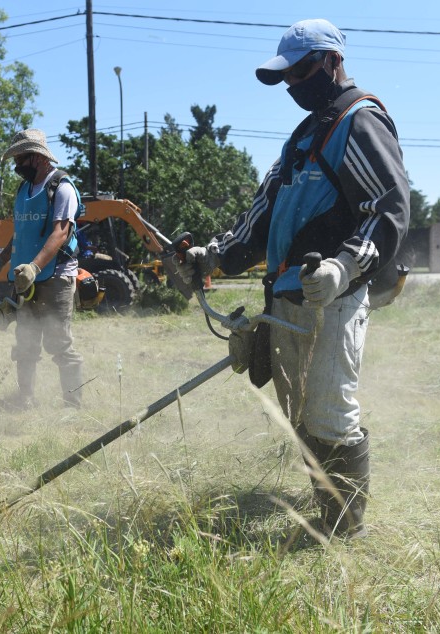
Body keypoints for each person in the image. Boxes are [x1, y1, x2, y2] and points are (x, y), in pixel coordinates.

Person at [177, 19, 409, 538]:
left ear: (332, 61)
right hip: (287, 296)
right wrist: (212, 256)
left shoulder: (359, 121)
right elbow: (260, 217)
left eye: (301, 72)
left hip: (335, 295)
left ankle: (343, 530)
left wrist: (343, 266)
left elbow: (387, 209)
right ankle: (327, 505)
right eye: (285, 77)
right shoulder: (302, 138)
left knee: (328, 411)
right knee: (302, 411)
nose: (292, 84)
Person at [0, 129, 86, 409]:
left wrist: (34, 267)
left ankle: (73, 406)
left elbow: (60, 233)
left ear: (38, 157)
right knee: (26, 343)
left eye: (21, 159)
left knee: (59, 344)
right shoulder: (23, 191)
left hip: (55, 278)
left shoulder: (62, 188)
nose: (17, 166)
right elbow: (20, 233)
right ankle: (25, 399)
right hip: (25, 280)